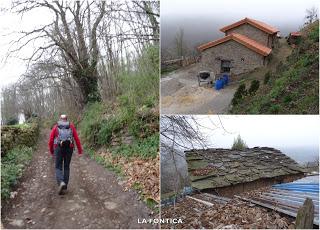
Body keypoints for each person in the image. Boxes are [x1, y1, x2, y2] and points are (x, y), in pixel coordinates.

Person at [48, 114, 83, 195]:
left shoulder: (56, 127)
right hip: (69, 148)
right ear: (67, 119)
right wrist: (80, 150)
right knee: (66, 166)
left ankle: (61, 182)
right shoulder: (71, 126)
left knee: (58, 166)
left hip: (58, 148)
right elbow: (77, 138)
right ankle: (65, 185)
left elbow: (50, 140)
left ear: (60, 119)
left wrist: (51, 151)